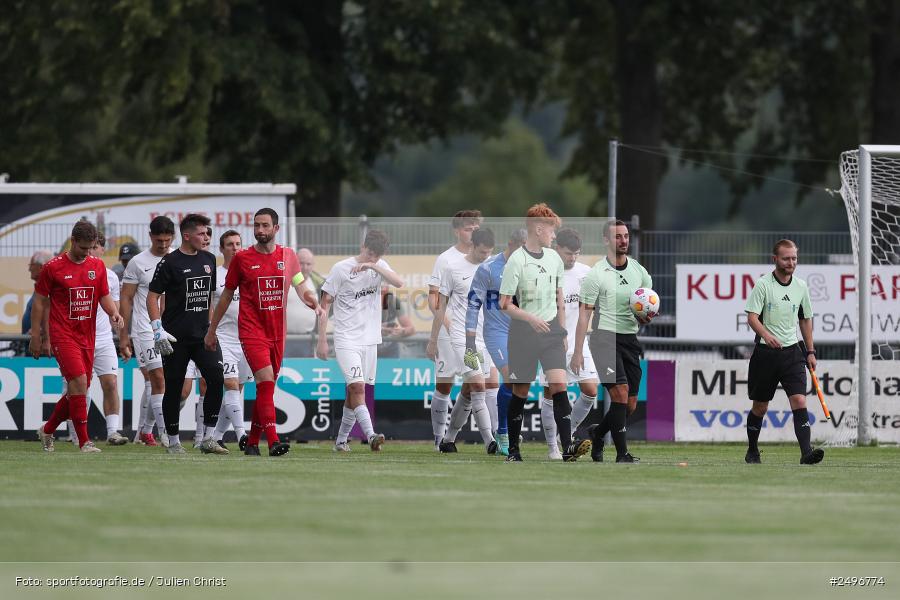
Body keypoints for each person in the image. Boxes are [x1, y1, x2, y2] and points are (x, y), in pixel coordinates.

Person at [205, 208, 323, 457]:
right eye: (257, 225)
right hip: (251, 331)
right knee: (266, 381)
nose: (260, 230)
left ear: (276, 229)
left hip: (278, 333)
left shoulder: (288, 256)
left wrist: (312, 300)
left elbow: (300, 285)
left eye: (265, 226)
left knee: (265, 388)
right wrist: (212, 329)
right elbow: (225, 296)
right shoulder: (243, 259)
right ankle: (273, 441)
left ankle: (251, 443)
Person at [499, 203, 590, 462]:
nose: (553, 235)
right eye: (551, 229)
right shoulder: (517, 260)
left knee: (559, 385)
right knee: (521, 391)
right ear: (538, 229)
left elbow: (559, 297)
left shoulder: (553, 258)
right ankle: (514, 451)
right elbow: (504, 303)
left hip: (551, 333)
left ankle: (568, 446)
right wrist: (530, 318)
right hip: (523, 334)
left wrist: (561, 331)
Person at [33, 221, 125, 453]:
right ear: (73, 241)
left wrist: (114, 313)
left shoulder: (97, 266)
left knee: (78, 389)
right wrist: (37, 335)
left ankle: (47, 429)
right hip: (63, 334)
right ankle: (85, 442)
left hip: (88, 335)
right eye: (83, 248)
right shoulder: (53, 267)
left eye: (91, 248)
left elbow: (103, 295)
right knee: (79, 383)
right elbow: (40, 302)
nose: (87, 253)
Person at [571, 219, 651, 463]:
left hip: (630, 339)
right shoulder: (596, 274)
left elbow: (648, 305)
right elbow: (585, 313)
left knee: (629, 404)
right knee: (620, 393)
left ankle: (598, 433)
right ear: (606, 240)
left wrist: (646, 316)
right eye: (617, 236)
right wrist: (577, 350)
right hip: (604, 338)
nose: (623, 240)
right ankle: (622, 453)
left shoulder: (639, 271)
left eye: (626, 236)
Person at [317, 229, 402, 453]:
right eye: (370, 253)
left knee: (352, 393)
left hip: (370, 340)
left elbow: (399, 283)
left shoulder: (378, 266)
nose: (372, 257)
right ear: (363, 246)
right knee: (357, 387)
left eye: (377, 255)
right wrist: (322, 339)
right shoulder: (341, 268)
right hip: (346, 339)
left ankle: (341, 441)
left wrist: (374, 266)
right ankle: (371, 435)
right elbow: (325, 304)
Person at [147, 214, 225, 455]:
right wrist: (157, 329)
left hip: (202, 335)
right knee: (173, 388)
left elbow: (209, 299)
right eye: (202, 234)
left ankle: (209, 439)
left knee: (216, 378)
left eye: (207, 233)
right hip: (175, 337)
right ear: (188, 235)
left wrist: (211, 328)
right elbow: (152, 297)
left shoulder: (209, 259)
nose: (206, 237)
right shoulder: (169, 262)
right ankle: (173, 442)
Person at [743, 239, 824, 465]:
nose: (791, 262)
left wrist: (810, 351)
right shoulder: (763, 285)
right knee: (760, 407)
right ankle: (752, 450)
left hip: (792, 353)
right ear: (775, 259)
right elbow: (752, 317)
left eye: (794, 258)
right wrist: (767, 336)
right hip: (765, 355)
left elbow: (805, 319)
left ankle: (806, 453)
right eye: (786, 258)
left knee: (799, 400)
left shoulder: (801, 286)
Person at [427, 227, 497, 454]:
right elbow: (440, 305)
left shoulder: (493, 268)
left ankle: (448, 439)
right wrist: (433, 338)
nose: (485, 256)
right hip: (461, 337)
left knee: (469, 390)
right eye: (482, 252)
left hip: (486, 337)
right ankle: (490, 442)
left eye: (489, 252)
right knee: (478, 385)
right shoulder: (452, 268)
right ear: (473, 246)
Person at [466, 228, 527, 456]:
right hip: (496, 333)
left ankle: (508, 430)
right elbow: (473, 305)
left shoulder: (529, 268)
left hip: (523, 333)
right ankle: (502, 432)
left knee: (519, 383)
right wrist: (470, 338)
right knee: (511, 376)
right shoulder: (488, 269)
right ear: (511, 243)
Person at [539, 228, 599, 460]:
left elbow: (591, 309)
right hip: (552, 341)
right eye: (568, 253)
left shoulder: (586, 274)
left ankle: (566, 433)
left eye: (576, 254)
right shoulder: (546, 273)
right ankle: (553, 448)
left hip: (579, 341)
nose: (572, 258)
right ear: (557, 250)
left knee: (591, 390)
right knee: (550, 393)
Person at [119, 216, 175, 447]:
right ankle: (166, 436)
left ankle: (145, 430)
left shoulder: (178, 259)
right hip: (145, 330)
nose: (162, 244)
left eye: (167, 240)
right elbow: (126, 298)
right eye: (158, 240)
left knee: (170, 385)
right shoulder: (137, 262)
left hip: (173, 329)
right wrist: (124, 335)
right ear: (150, 236)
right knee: (158, 379)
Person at [208, 229, 252, 449]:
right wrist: (210, 331)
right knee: (230, 384)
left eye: (238, 244)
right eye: (230, 244)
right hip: (223, 338)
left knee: (238, 389)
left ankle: (216, 437)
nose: (235, 248)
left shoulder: (250, 273)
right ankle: (242, 434)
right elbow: (209, 307)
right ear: (221, 249)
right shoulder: (215, 275)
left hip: (247, 338)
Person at [89, 233, 129, 445]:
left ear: (102, 249)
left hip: (103, 339)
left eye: (95, 247)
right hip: (78, 339)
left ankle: (112, 432)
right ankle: (77, 434)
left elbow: (116, 312)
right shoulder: (73, 271)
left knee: (111, 383)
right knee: (76, 388)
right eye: (89, 246)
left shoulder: (111, 277)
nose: (91, 250)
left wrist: (123, 341)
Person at [379, 287, 415, 358]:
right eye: (379, 292)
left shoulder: (394, 300)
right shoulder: (363, 301)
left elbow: (411, 329)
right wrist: (380, 330)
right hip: (369, 346)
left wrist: (401, 331)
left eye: (384, 291)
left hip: (389, 347)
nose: (382, 295)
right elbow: (359, 329)